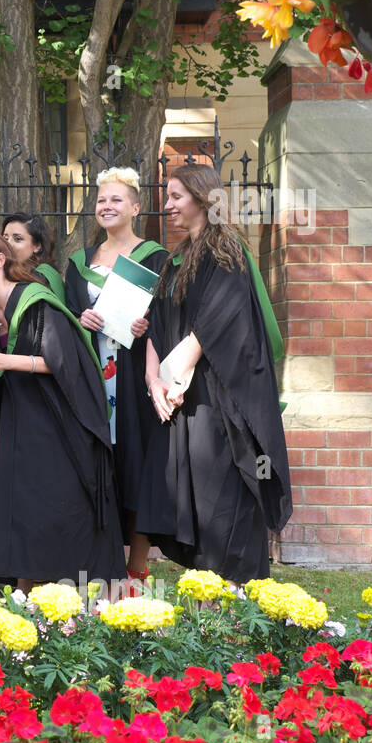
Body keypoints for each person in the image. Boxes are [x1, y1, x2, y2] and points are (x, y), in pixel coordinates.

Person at [136, 163, 292, 584]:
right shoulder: (175, 259)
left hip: (215, 395)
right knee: (190, 492)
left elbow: (217, 320)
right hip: (179, 394)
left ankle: (234, 589)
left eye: (175, 197)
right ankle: (207, 588)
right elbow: (155, 324)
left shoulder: (226, 251)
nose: (167, 205)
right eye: (166, 197)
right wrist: (154, 382)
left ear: (203, 198)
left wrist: (176, 377)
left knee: (222, 491)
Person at [0, 231, 124, 590]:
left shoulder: (36, 303)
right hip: (24, 419)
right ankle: (27, 572)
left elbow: (64, 362)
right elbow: (5, 381)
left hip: (59, 419)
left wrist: (6, 360)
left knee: (37, 498)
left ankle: (37, 581)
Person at [63, 168, 169, 586]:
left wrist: (149, 326)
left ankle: (138, 564)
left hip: (133, 375)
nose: (107, 206)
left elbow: (167, 316)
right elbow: (65, 317)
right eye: (101, 200)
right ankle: (103, 561)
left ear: (136, 207)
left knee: (135, 462)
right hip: (93, 375)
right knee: (97, 463)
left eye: (116, 200)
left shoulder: (155, 258)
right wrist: (79, 316)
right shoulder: (80, 262)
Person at [2, 212, 65, 301]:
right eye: (5, 238)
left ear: (37, 246)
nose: (8, 244)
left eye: (17, 239)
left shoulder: (44, 276)